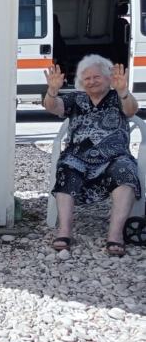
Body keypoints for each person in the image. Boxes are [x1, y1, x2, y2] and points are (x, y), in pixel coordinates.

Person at [43, 56, 141, 257]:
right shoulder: (76, 99)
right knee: (66, 167)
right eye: (86, 78)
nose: (91, 81)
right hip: (77, 157)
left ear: (108, 78)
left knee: (126, 171)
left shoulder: (117, 97)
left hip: (114, 157)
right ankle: (64, 231)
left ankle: (115, 235)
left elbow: (132, 110)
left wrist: (123, 91)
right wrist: (52, 91)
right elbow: (53, 107)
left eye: (97, 77)